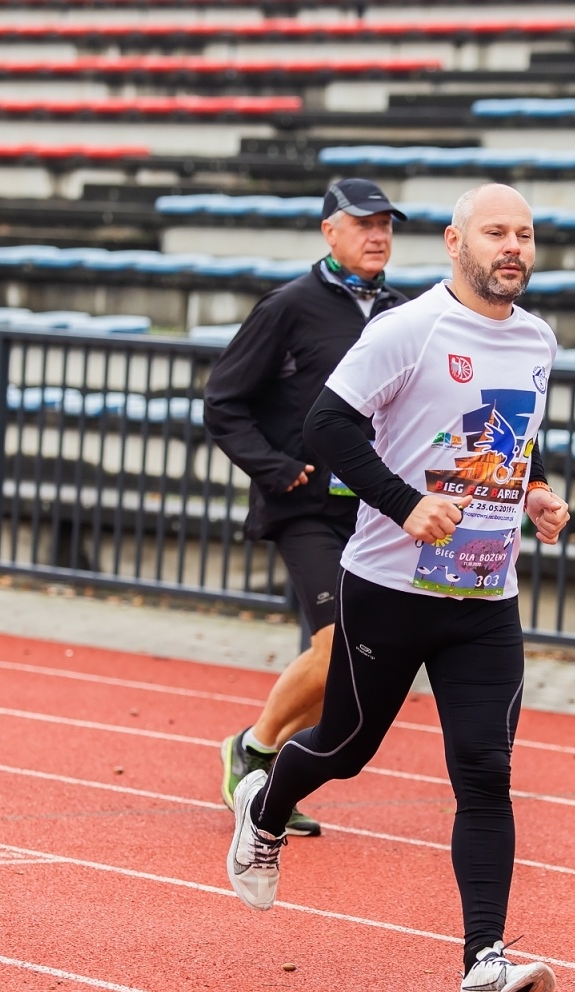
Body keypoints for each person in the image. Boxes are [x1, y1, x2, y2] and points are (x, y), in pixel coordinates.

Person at [226, 183, 571, 992]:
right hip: (388, 586)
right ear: (456, 242)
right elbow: (326, 425)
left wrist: (535, 491)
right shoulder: (408, 330)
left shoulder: (537, 338)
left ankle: (483, 964)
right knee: (345, 749)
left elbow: (514, 436)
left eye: (525, 234)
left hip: (485, 597)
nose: (513, 247)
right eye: (496, 232)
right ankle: (264, 804)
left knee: (485, 773)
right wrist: (405, 503)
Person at [204, 178, 410, 837]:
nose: (377, 236)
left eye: (385, 225)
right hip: (305, 505)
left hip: (375, 508)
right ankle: (254, 749)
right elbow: (223, 402)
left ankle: (275, 772)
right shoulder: (288, 307)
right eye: (364, 224)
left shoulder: (404, 314)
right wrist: (278, 469)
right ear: (330, 232)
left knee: (356, 660)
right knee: (336, 642)